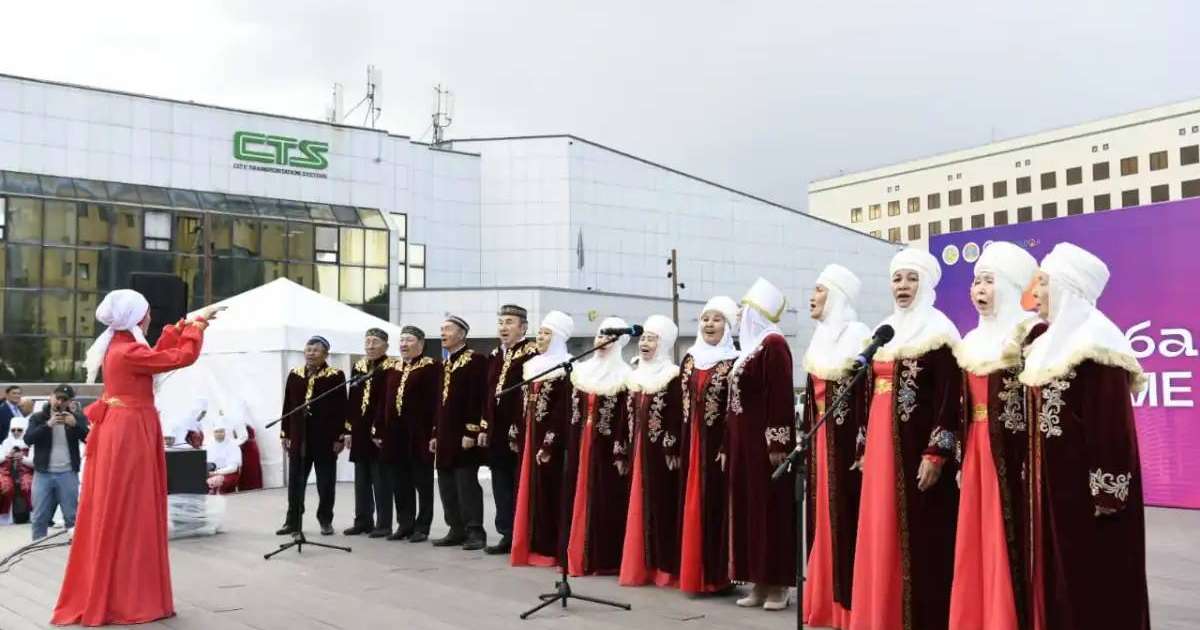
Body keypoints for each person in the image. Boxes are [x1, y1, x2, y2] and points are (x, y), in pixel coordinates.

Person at [52, 290, 217, 626]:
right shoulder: (129, 351)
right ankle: (128, 597)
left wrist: (183, 324)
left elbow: (155, 355)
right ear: (138, 317)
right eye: (146, 312)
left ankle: (116, 589)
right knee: (133, 507)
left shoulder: (120, 346)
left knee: (118, 505)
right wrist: (196, 326)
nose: (150, 317)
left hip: (120, 426)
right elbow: (179, 358)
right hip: (130, 430)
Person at [1021, 243, 1150, 630]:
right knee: (1060, 581)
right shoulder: (1047, 343)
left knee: (1096, 584)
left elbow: (1112, 428)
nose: (1036, 294)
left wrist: (1108, 491)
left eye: (1042, 284)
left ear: (1065, 287)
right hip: (1054, 490)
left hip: (1090, 498)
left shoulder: (1098, 345)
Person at [849, 248, 963, 630]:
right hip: (881, 450)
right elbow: (866, 397)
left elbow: (951, 399)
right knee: (880, 531)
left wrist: (937, 452)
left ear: (926, 284)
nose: (903, 286)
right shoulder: (883, 331)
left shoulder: (940, 333)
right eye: (897, 279)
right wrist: (864, 446)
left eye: (911, 278)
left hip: (917, 451)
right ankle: (880, 614)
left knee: (919, 535)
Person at [947, 242, 1041, 630]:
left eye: (987, 281)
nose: (978, 290)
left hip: (1015, 450)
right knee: (975, 535)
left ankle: (1008, 617)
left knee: (1010, 531)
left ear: (1007, 285)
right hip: (975, 446)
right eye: (974, 282)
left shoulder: (1030, 331)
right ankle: (976, 616)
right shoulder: (970, 339)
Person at [800, 265, 872, 627]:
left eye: (819, 290)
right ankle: (824, 602)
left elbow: (866, 397)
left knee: (847, 517)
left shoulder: (858, 335)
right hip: (819, 441)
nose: (812, 298)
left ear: (838, 295)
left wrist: (863, 447)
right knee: (820, 518)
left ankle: (849, 607)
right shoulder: (818, 338)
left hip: (846, 446)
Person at [726, 278, 795, 611]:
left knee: (770, 511)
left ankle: (779, 584)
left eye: (743, 309)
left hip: (764, 444)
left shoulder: (773, 344)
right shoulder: (748, 350)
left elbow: (780, 396)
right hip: (742, 443)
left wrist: (777, 440)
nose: (739, 315)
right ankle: (758, 580)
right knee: (749, 511)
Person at [678, 298, 740, 595]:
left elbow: (736, 409)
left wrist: (728, 443)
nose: (709, 324)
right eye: (705, 319)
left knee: (715, 506)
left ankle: (716, 577)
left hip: (718, 446)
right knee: (691, 504)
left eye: (717, 319)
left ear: (728, 326)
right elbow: (680, 405)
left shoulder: (734, 362)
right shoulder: (689, 358)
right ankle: (692, 575)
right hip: (692, 441)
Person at [565, 317, 634, 576]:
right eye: (600, 335)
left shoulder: (625, 375)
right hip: (579, 442)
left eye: (609, 337)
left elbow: (624, 418)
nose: (602, 341)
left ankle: (602, 559)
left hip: (605, 447)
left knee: (605, 498)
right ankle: (573, 555)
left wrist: (620, 449)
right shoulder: (581, 370)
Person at [619, 314, 684, 588]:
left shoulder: (672, 375)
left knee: (662, 507)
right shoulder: (634, 377)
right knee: (636, 507)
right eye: (643, 337)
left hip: (660, 455)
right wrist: (620, 451)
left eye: (652, 339)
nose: (645, 343)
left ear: (665, 343)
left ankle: (664, 569)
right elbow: (625, 416)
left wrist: (672, 445)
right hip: (637, 452)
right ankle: (640, 567)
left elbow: (676, 414)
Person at [510, 310, 575, 567]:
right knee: (527, 491)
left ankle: (549, 550)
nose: (541, 337)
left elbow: (562, 411)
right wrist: (515, 430)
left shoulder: (567, 366)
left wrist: (550, 442)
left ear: (558, 337)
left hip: (551, 442)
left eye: (547, 333)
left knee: (549, 493)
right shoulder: (531, 365)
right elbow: (521, 402)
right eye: (540, 332)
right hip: (529, 436)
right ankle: (530, 546)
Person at [276, 336, 348, 537]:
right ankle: (293, 521)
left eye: (316, 350)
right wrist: (285, 433)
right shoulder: (295, 374)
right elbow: (288, 406)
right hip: (299, 437)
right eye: (308, 349)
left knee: (326, 483)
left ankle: (325, 519)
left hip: (325, 439)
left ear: (325, 354)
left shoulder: (335, 375)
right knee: (296, 483)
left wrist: (340, 437)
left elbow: (342, 407)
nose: (311, 353)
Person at [482, 304, 538, 555]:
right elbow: (488, 394)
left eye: (509, 322)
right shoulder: (495, 355)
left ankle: (525, 533)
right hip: (496, 431)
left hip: (519, 430)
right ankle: (506, 532)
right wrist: (484, 425)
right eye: (501, 322)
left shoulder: (531, 352)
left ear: (523, 327)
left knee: (520, 482)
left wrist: (520, 426)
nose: (503, 327)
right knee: (500, 484)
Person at [432, 315, 490, 550]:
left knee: (466, 482)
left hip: (464, 433)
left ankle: (475, 530)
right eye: (441, 329)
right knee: (446, 482)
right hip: (445, 433)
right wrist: (435, 433)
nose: (443, 333)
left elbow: (478, 398)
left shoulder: (475, 360)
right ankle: (455, 528)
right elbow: (438, 402)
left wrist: (472, 430)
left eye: (448, 329)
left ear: (462, 334)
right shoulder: (445, 363)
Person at [377, 325, 440, 542]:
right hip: (395, 434)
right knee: (399, 481)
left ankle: (422, 527)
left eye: (409, 340)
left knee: (422, 482)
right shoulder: (393, 368)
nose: (404, 344)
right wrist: (380, 428)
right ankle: (404, 523)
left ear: (421, 344)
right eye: (401, 340)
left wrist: (434, 431)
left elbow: (436, 402)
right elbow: (383, 401)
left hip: (420, 433)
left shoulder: (431, 366)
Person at [346, 328, 397, 538]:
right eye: (367, 342)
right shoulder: (359, 365)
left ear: (386, 345)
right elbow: (352, 399)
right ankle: (362, 520)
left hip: (380, 429)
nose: (370, 346)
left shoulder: (391, 366)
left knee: (381, 477)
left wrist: (382, 428)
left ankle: (383, 523)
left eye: (375, 342)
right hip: (359, 429)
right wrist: (347, 429)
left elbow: (388, 401)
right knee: (361, 477)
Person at [24, 384, 89, 540]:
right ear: (51, 397)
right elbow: (28, 439)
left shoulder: (77, 417)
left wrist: (75, 425)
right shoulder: (38, 417)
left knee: (71, 517)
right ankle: (37, 548)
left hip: (68, 473)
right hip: (43, 473)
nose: (59, 402)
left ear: (70, 401)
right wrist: (48, 425)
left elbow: (90, 439)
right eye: (57, 397)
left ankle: (73, 552)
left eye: (64, 399)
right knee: (39, 516)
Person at [0, 417, 34, 522]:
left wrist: (22, 458)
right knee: (5, 486)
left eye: (19, 430)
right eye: (13, 430)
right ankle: (4, 517)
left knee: (28, 485)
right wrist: (7, 456)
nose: (16, 432)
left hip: (26, 472)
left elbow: (34, 463)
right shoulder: (6, 443)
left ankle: (33, 515)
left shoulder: (30, 443)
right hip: (6, 472)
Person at [204, 417, 243, 495]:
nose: (219, 434)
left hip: (229, 473)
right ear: (213, 433)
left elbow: (233, 468)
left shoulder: (233, 445)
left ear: (225, 432)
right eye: (216, 432)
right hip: (212, 472)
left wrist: (216, 473)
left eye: (221, 431)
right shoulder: (208, 445)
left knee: (217, 482)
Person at [232, 402, 264, 492]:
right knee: (251, 469)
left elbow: (243, 437)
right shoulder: (246, 422)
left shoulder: (240, 421)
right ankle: (253, 487)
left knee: (249, 469)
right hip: (251, 448)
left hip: (247, 449)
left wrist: (232, 444)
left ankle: (249, 488)